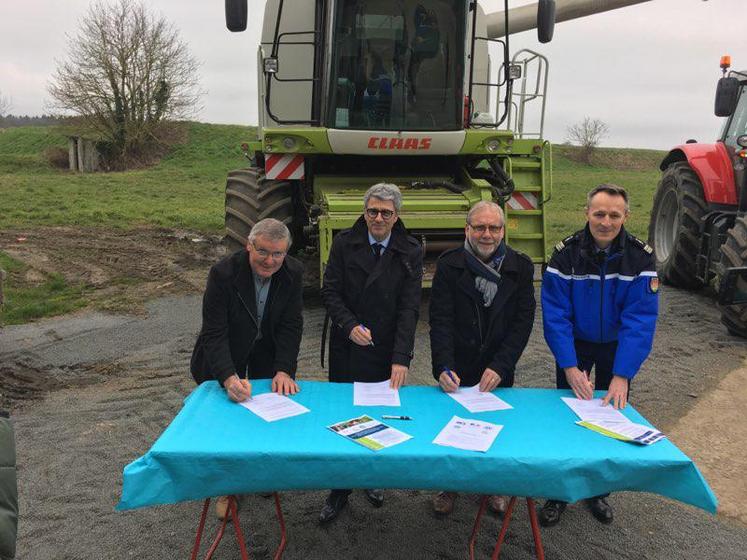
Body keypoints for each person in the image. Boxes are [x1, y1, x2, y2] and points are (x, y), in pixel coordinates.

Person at [539, 183, 659, 527]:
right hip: (576, 344)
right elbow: (556, 315)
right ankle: (559, 492)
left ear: (626, 216)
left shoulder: (641, 256)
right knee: (568, 417)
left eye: (614, 215)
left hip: (617, 348)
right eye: (599, 213)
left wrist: (623, 374)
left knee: (610, 422)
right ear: (587, 213)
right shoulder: (565, 254)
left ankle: (598, 491)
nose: (606, 221)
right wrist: (569, 366)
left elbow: (640, 320)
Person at [319, 183, 423, 524]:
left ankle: (373, 476)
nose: (378, 218)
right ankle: (340, 486)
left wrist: (401, 357)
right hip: (348, 346)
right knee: (345, 416)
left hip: (385, 349)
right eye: (373, 211)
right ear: (365, 212)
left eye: (386, 213)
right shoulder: (343, 243)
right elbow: (331, 290)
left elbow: (410, 307)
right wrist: (348, 325)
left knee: (379, 417)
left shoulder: (410, 249)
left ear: (397, 216)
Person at [190, 218, 304, 519]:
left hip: (266, 353)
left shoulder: (293, 272)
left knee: (269, 416)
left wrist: (284, 369)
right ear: (248, 246)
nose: (270, 260)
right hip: (227, 351)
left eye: (278, 254)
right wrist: (228, 378)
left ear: (286, 253)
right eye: (263, 252)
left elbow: (292, 325)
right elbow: (213, 332)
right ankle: (228, 488)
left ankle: (264, 474)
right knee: (228, 423)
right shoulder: (223, 274)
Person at [429, 200, 536, 517]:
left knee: (496, 427)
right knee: (453, 427)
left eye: (493, 227)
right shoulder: (450, 265)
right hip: (458, 364)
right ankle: (449, 485)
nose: (486, 234)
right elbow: (441, 319)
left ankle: (493, 487)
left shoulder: (521, 266)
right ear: (467, 229)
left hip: (498, 366)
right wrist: (443, 365)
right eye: (480, 227)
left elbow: (522, 323)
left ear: (503, 231)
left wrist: (502, 366)